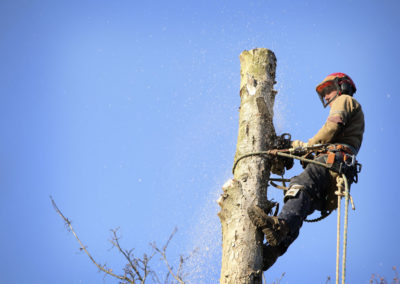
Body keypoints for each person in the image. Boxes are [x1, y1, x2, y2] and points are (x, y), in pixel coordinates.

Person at [248, 72, 365, 270]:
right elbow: (317, 147)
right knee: (301, 204)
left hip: (333, 162)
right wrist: (291, 147)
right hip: (334, 175)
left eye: (329, 91)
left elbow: (331, 128)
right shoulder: (346, 125)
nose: (327, 97)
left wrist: (307, 146)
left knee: (299, 185)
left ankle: (279, 227)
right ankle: (273, 251)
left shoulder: (345, 100)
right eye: (324, 94)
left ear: (342, 87)